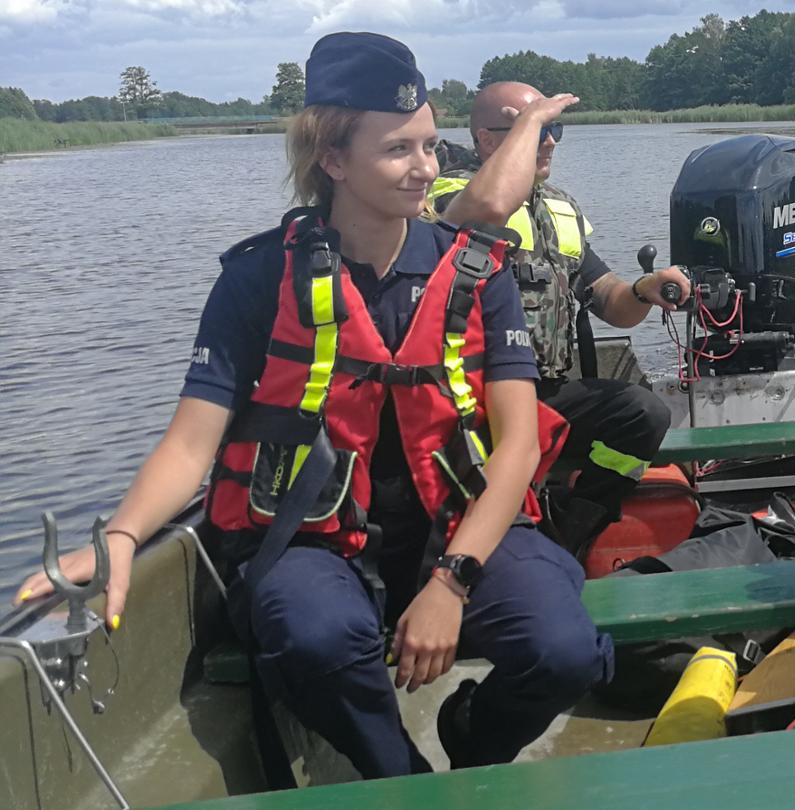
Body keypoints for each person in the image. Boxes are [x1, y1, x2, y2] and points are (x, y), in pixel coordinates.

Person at [14, 32, 612, 777]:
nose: (425, 168)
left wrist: (450, 581)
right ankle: (400, 777)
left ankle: (474, 736)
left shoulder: (479, 275)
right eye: (398, 150)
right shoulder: (258, 279)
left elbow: (518, 446)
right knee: (313, 640)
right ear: (332, 159)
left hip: (457, 527)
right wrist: (124, 537)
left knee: (565, 652)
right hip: (314, 539)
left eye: (429, 146)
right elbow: (192, 443)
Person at [426, 81, 690, 556]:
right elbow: (481, 208)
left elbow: (610, 301)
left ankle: (570, 531)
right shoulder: (449, 196)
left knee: (645, 413)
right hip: (468, 399)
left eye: (555, 130)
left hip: (545, 392)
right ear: (487, 139)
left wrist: (643, 290)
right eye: (538, 130)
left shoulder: (559, 209)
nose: (549, 142)